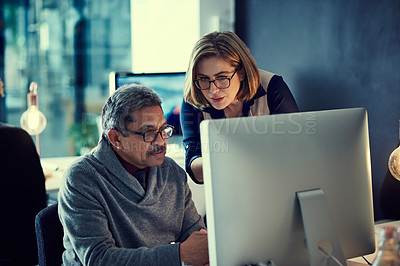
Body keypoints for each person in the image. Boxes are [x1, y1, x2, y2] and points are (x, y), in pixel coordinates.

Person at [58, 84, 209, 265]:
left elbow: (197, 238)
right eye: (149, 133)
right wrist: (179, 254)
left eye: (163, 130)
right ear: (116, 138)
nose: (161, 141)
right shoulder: (82, 178)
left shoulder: (172, 172)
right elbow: (99, 259)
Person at [180, 31, 299, 184]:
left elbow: (294, 152)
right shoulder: (194, 97)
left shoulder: (272, 87)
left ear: (241, 73)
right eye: (204, 79)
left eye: (222, 78)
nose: (213, 90)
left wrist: (225, 160)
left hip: (275, 182)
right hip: (224, 187)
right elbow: (195, 168)